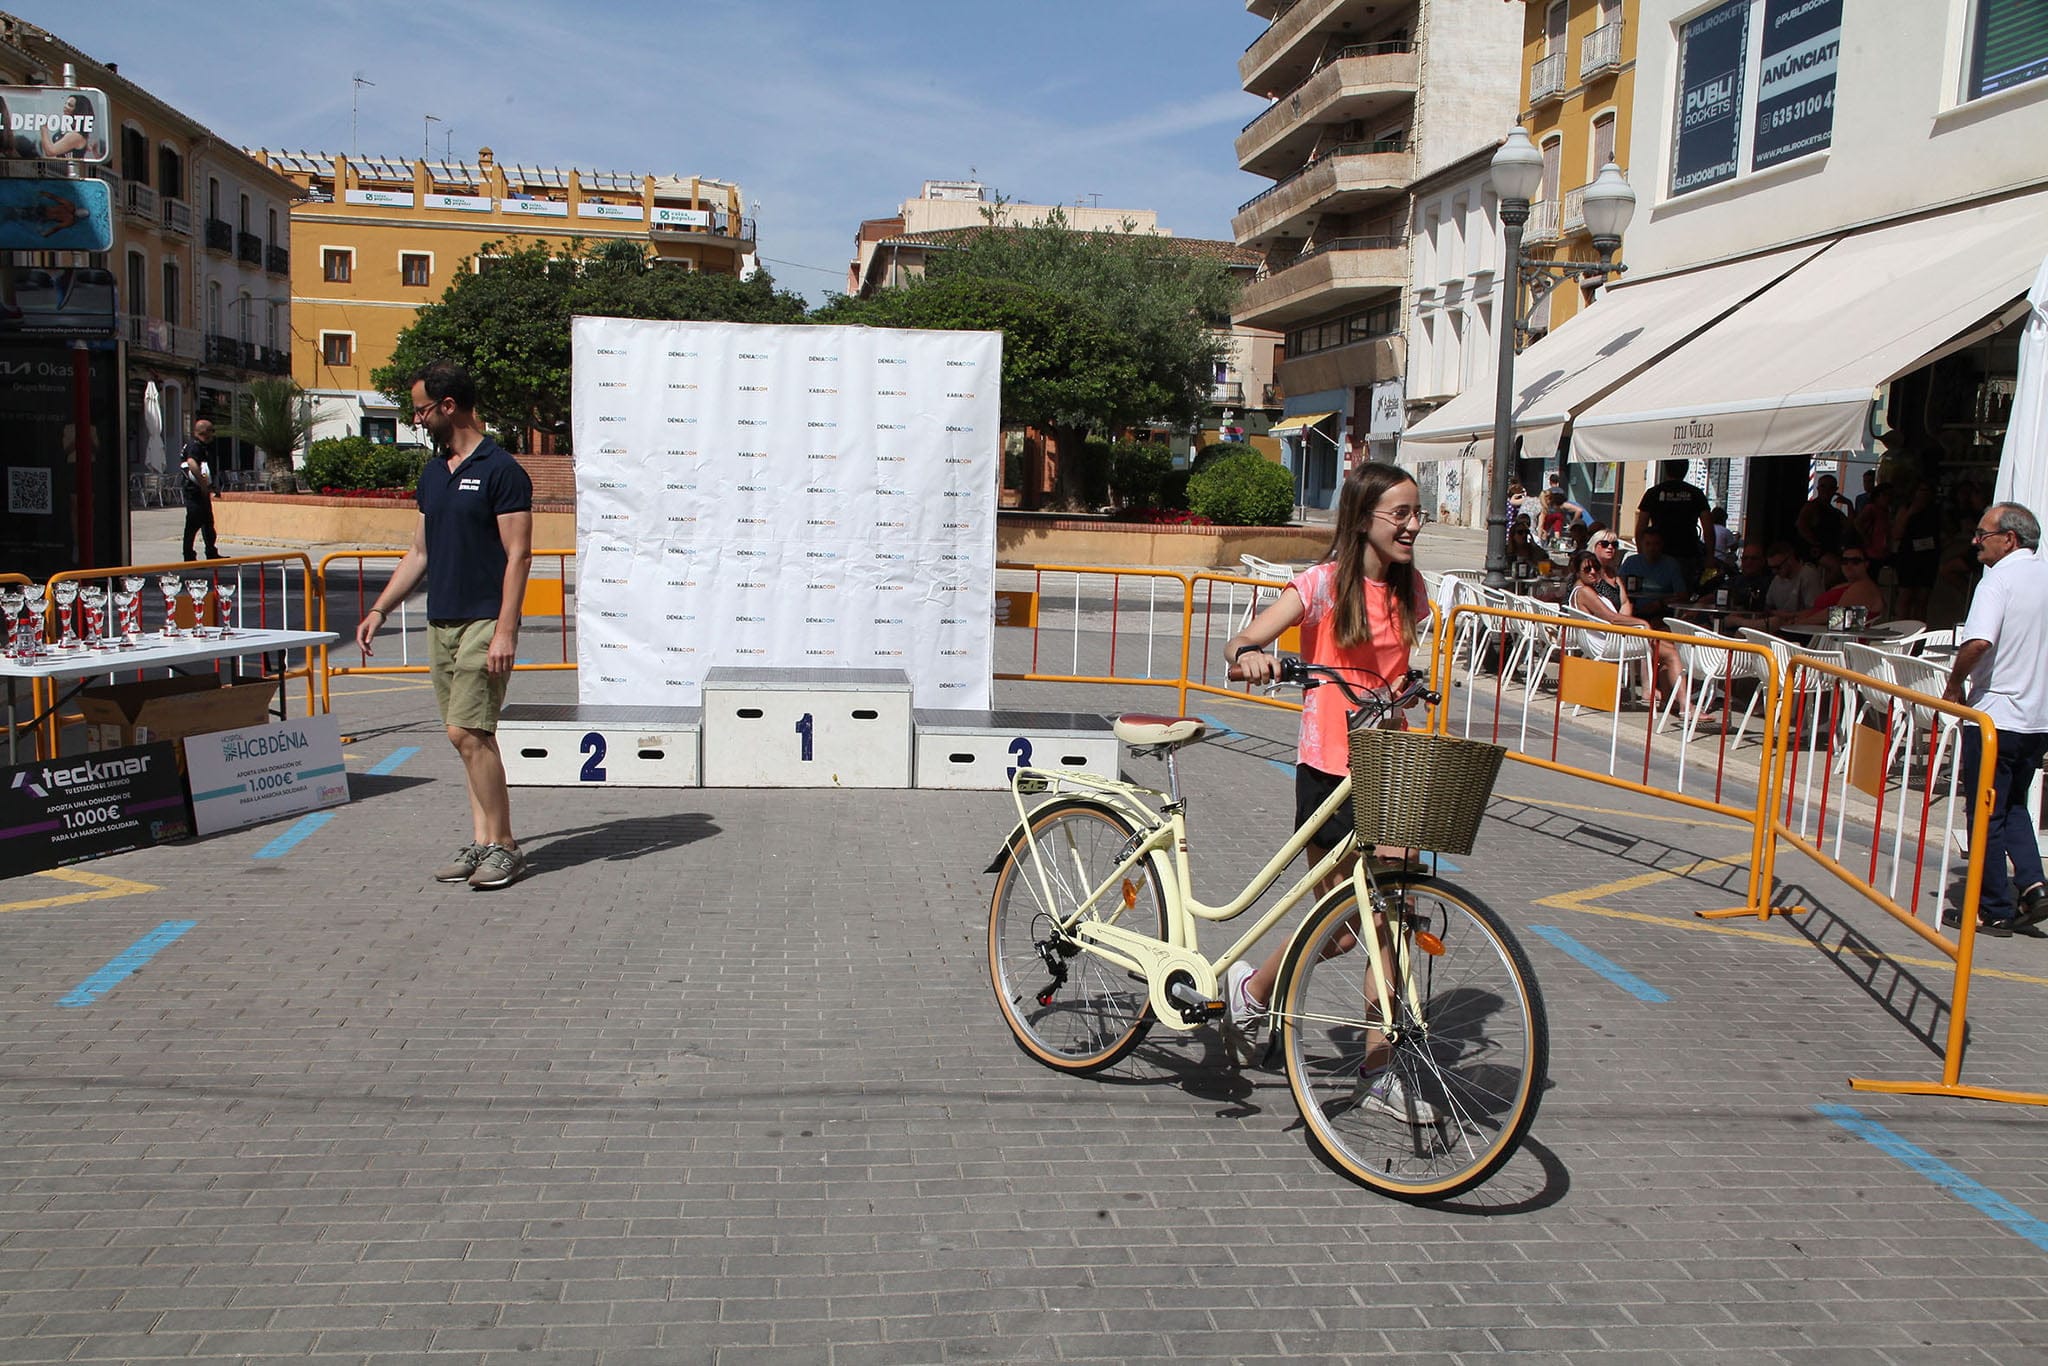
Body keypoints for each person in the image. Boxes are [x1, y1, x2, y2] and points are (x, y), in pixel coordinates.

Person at [1220, 463, 1435, 1121]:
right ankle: (1254, 991)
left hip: (1390, 766)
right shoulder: (1319, 586)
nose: (1413, 525)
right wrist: (1252, 655)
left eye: (1418, 513)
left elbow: (1394, 670)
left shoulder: (1413, 590)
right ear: (1364, 517)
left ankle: (1378, 1070)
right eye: (1401, 514)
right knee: (1342, 927)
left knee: (1390, 919)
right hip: (1329, 770)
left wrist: (1406, 692)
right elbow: (1242, 640)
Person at [354, 360, 535, 891]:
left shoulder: (501, 470)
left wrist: (505, 631)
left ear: (448, 406)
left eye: (421, 410)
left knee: (467, 731)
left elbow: (519, 555)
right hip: (442, 621)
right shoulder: (434, 473)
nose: (416, 419)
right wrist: (379, 609)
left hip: (485, 620)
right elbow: (419, 552)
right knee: (467, 738)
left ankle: (505, 846)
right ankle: (482, 840)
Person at [1941, 503, 2048, 937]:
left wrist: (1954, 683)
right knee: (2013, 803)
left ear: (2009, 539)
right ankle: (2034, 886)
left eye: (1982, 535)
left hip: (1996, 717)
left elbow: (1979, 641)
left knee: (1985, 813)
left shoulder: (1998, 580)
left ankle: (1993, 907)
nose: (1975, 542)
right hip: (2037, 719)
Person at [1569, 544, 1683, 710]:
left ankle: (1669, 700)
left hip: (1605, 641)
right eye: (1587, 569)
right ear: (1578, 572)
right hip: (1608, 644)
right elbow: (1612, 618)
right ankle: (1685, 706)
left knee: (1667, 648)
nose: (1593, 572)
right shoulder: (1584, 592)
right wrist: (1642, 623)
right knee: (1671, 653)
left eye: (1596, 568)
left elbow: (1620, 607)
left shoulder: (1584, 589)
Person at [1636, 460, 1713, 582]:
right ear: (1686, 470)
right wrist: (1710, 556)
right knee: (1684, 590)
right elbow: (1708, 528)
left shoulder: (1653, 493)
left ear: (1666, 470)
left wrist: (1642, 554)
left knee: (1657, 589)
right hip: (1687, 552)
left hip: (1658, 553)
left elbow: (1641, 528)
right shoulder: (1696, 493)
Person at [1784, 543, 1885, 627]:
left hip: (1832, 636)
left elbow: (1838, 616)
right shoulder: (1847, 585)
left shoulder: (1864, 587)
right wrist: (1792, 616)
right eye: (1844, 561)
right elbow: (1820, 611)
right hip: (1819, 631)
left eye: (1855, 561)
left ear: (1866, 564)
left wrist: (1800, 623)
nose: (1849, 566)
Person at [1618, 527, 1689, 622]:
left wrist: (1660, 604)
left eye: (1656, 544)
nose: (1652, 548)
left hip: (1661, 613)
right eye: (1648, 544)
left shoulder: (1671, 564)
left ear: (1662, 545)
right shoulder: (1631, 562)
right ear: (1641, 544)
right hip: (1632, 611)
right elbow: (1617, 588)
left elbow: (1682, 596)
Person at [178, 418, 220, 561]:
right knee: (193, 523)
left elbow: (206, 469)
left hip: (202, 491)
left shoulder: (202, 446)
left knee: (208, 522)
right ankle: (189, 555)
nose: (213, 434)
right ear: (204, 432)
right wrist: (202, 484)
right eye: (212, 431)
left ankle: (211, 552)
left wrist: (212, 486)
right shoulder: (194, 446)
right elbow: (191, 463)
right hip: (194, 491)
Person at [1796, 473, 1852, 580]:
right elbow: (1801, 525)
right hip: (1814, 551)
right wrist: (1815, 543)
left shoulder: (1835, 512)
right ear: (1818, 488)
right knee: (1837, 567)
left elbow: (1848, 527)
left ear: (1835, 490)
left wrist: (1849, 505)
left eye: (1830, 487)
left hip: (1830, 549)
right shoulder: (1811, 506)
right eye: (1823, 486)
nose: (1826, 490)